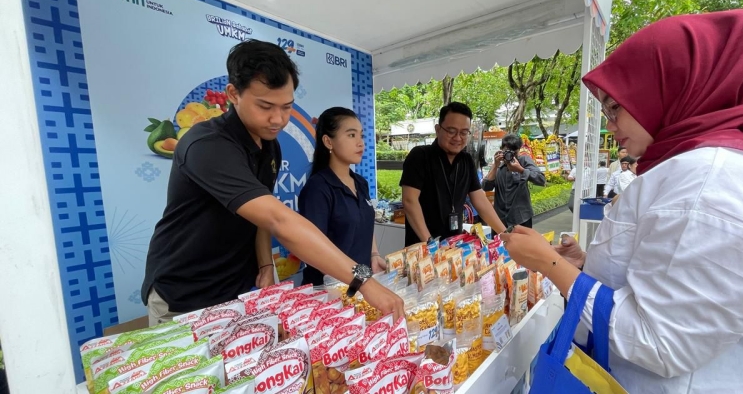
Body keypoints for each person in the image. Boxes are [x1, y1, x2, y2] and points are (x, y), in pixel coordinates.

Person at [500, 10, 743, 393]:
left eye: (616, 107)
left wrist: (550, 263)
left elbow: (660, 341)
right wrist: (589, 266)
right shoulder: (698, 169)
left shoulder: (712, 183)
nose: (610, 125)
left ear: (669, 88)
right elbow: (672, 277)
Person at [141, 40, 403, 326]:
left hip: (236, 290)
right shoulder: (207, 145)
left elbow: (260, 213)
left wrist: (265, 262)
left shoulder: (269, 146)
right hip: (183, 295)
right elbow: (279, 220)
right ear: (233, 94)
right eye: (265, 106)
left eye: (286, 107)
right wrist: (364, 281)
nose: (278, 119)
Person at [298, 107, 386, 286]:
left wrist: (374, 255)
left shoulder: (360, 183)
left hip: (361, 285)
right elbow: (316, 251)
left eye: (361, 135)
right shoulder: (318, 189)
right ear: (328, 142)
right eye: (351, 135)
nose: (360, 143)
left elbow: (365, 226)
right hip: (329, 290)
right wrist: (362, 280)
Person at [400, 102, 506, 245]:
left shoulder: (466, 160)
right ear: (438, 129)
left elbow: (480, 200)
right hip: (422, 249)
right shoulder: (420, 156)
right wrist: (430, 245)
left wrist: (506, 235)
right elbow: (409, 201)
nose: (457, 138)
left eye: (463, 132)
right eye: (451, 131)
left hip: (455, 246)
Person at [482, 134, 545, 230]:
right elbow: (486, 187)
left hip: (521, 218)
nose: (510, 155)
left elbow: (541, 180)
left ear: (518, 151)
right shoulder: (498, 165)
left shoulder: (523, 161)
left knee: (522, 245)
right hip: (500, 219)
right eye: (507, 151)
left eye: (514, 152)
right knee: (501, 244)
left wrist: (521, 170)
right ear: (501, 150)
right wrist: (495, 165)